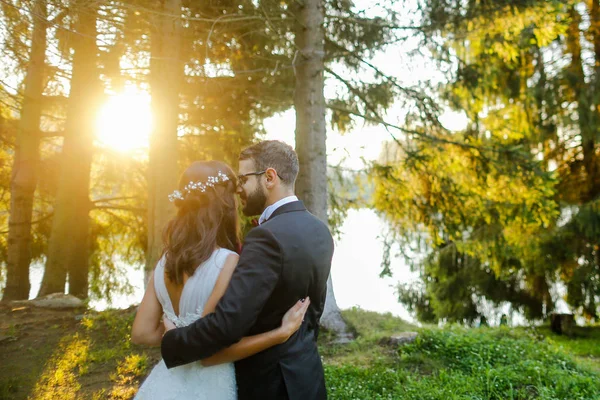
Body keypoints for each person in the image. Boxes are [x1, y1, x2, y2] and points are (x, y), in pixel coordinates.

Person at [161, 140, 334, 400]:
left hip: (267, 383)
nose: (238, 189)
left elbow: (228, 323)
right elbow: (313, 313)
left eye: (243, 179)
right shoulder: (320, 230)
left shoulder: (265, 237)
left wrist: (174, 342)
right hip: (307, 376)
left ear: (269, 177)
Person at [131, 160, 310, 400]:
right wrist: (281, 333)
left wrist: (172, 333)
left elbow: (141, 333)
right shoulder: (227, 262)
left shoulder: (164, 262)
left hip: (165, 384)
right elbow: (209, 350)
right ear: (225, 207)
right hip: (208, 387)